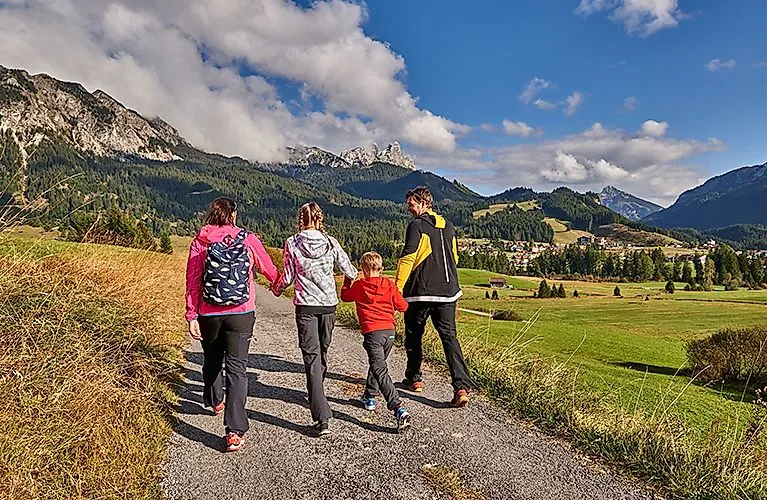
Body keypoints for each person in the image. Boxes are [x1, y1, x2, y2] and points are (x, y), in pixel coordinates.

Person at [185, 197, 279, 452]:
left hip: (209, 313)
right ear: (233, 215)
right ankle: (235, 431)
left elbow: (193, 281)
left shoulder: (200, 241)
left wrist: (191, 315)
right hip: (242, 312)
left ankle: (216, 401)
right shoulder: (247, 238)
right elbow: (268, 267)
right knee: (237, 369)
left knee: (212, 359)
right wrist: (278, 282)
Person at [272, 202, 357, 436]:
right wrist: (348, 282)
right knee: (323, 352)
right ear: (320, 219)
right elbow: (349, 270)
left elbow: (288, 276)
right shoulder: (331, 242)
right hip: (329, 305)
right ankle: (318, 397)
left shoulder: (292, 242)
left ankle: (321, 415)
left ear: (301, 219)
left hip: (306, 306)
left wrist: (276, 289)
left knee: (312, 357)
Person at [395, 186, 472, 407]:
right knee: (450, 338)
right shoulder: (448, 225)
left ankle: (415, 378)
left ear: (423, 203)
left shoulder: (416, 225)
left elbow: (407, 258)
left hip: (420, 292)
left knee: (413, 335)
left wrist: (397, 288)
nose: (408, 208)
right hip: (448, 292)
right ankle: (461, 387)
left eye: (411, 203)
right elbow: (454, 256)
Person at [340, 251, 411, 433]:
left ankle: (397, 408)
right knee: (377, 365)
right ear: (381, 268)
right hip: (389, 333)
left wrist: (348, 279)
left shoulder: (360, 285)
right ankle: (369, 396)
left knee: (379, 369)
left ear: (363, 269)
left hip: (372, 333)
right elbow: (403, 306)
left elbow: (345, 296)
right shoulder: (388, 284)